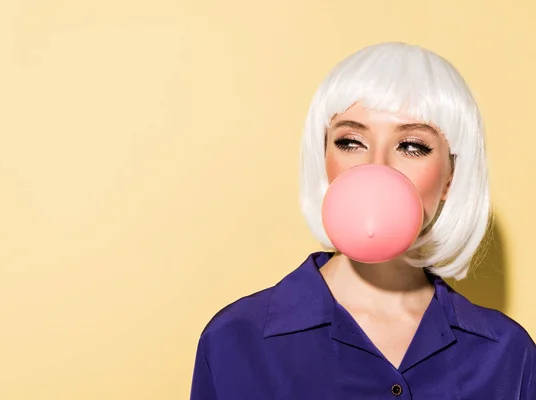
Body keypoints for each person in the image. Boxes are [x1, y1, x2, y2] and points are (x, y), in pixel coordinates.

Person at [189, 42, 535, 399]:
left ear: (450, 176)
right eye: (352, 141)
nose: (377, 167)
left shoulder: (508, 354)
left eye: (412, 146)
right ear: (324, 157)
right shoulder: (235, 340)